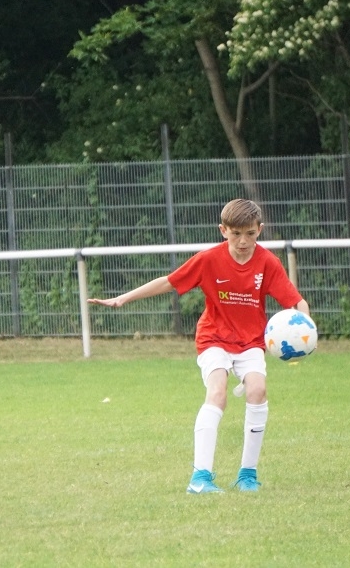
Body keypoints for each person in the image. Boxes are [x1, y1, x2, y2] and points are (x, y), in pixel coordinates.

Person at [88, 199, 310, 492]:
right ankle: (200, 478)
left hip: (250, 341)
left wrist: (306, 329)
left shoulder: (268, 262)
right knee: (217, 392)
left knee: (257, 390)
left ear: (260, 230)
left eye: (250, 234)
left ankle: (248, 476)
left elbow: (296, 302)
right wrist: (123, 298)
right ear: (223, 230)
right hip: (213, 337)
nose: (243, 241)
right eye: (236, 234)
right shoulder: (208, 260)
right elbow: (169, 282)